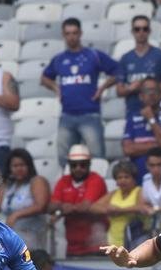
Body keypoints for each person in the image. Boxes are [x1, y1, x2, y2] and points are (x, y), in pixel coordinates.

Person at [40, 18, 118, 165]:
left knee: (97, 157)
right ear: (63, 35)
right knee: (64, 159)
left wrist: (102, 88)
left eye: (75, 33)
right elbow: (44, 78)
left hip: (90, 114)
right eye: (68, 33)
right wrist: (56, 88)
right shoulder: (59, 59)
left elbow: (118, 71)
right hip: (66, 115)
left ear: (81, 33)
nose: (71, 37)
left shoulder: (93, 55)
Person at [49, 144, 108, 257]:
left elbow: (85, 206)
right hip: (72, 246)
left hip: (94, 245)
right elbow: (51, 206)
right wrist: (63, 207)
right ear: (69, 165)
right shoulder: (63, 181)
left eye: (82, 165)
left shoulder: (96, 179)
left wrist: (63, 208)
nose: (78, 168)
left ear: (89, 164)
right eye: (74, 165)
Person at [122, 77, 161, 179]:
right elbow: (127, 149)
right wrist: (159, 146)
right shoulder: (132, 118)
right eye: (147, 91)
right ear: (141, 96)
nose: (151, 94)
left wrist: (151, 120)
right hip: (139, 178)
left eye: (155, 90)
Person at [116, 15, 161, 122]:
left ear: (149, 31)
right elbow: (119, 91)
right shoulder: (126, 58)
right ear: (132, 32)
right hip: (133, 113)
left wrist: (144, 87)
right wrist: (130, 89)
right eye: (137, 29)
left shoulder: (160, 55)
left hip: (156, 113)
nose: (141, 32)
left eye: (145, 29)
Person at [0, 148, 49, 251]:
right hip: (10, 241)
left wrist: (17, 214)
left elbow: (41, 206)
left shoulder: (37, 181)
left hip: (31, 241)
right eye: (15, 166)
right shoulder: (8, 186)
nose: (19, 169)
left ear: (29, 166)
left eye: (22, 165)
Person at [94, 160, 145, 247]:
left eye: (126, 177)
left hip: (134, 240)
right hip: (113, 240)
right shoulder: (113, 193)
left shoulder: (139, 191)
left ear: (134, 178)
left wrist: (120, 210)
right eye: (119, 178)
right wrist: (109, 209)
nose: (123, 180)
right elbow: (94, 207)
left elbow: (141, 207)